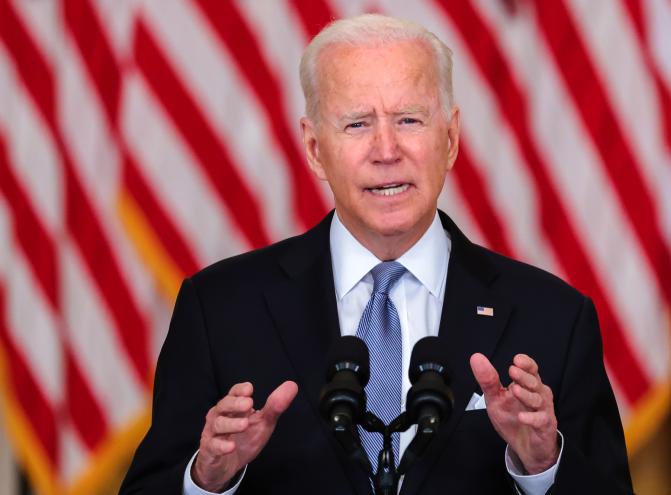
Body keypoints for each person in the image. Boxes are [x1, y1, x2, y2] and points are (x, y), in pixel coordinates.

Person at [120, 14, 632, 495]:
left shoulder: (554, 318)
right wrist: (208, 480)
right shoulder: (220, 310)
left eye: (409, 120)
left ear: (450, 139)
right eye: (357, 124)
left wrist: (543, 468)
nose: (386, 150)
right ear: (315, 149)